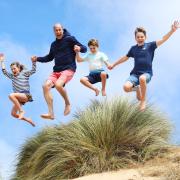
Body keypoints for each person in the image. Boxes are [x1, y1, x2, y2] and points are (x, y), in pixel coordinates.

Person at [109, 21, 179, 110]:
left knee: (142, 78)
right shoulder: (133, 49)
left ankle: (143, 101)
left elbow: (163, 39)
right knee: (126, 88)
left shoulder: (150, 46)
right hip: (134, 74)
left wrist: (172, 31)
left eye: (142, 37)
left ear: (145, 37)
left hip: (147, 73)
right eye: (138, 37)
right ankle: (137, 89)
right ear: (135, 38)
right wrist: (114, 64)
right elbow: (125, 58)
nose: (140, 38)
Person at [31, 23, 87, 119]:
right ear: (54, 32)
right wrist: (37, 59)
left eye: (59, 30)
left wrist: (79, 48)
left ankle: (67, 103)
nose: (58, 32)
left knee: (58, 85)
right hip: (56, 71)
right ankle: (51, 113)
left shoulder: (70, 39)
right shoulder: (54, 45)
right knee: (45, 86)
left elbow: (84, 48)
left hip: (69, 68)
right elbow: (49, 57)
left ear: (62, 29)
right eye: (56, 30)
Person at [0, 53, 36, 126]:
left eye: (14, 68)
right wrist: (2, 61)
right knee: (13, 114)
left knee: (11, 95)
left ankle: (21, 111)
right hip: (19, 98)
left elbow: (33, 71)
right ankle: (28, 119)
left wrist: (34, 62)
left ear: (19, 68)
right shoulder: (12, 76)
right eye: (12, 69)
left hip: (26, 95)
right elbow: (4, 71)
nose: (13, 70)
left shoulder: (24, 73)